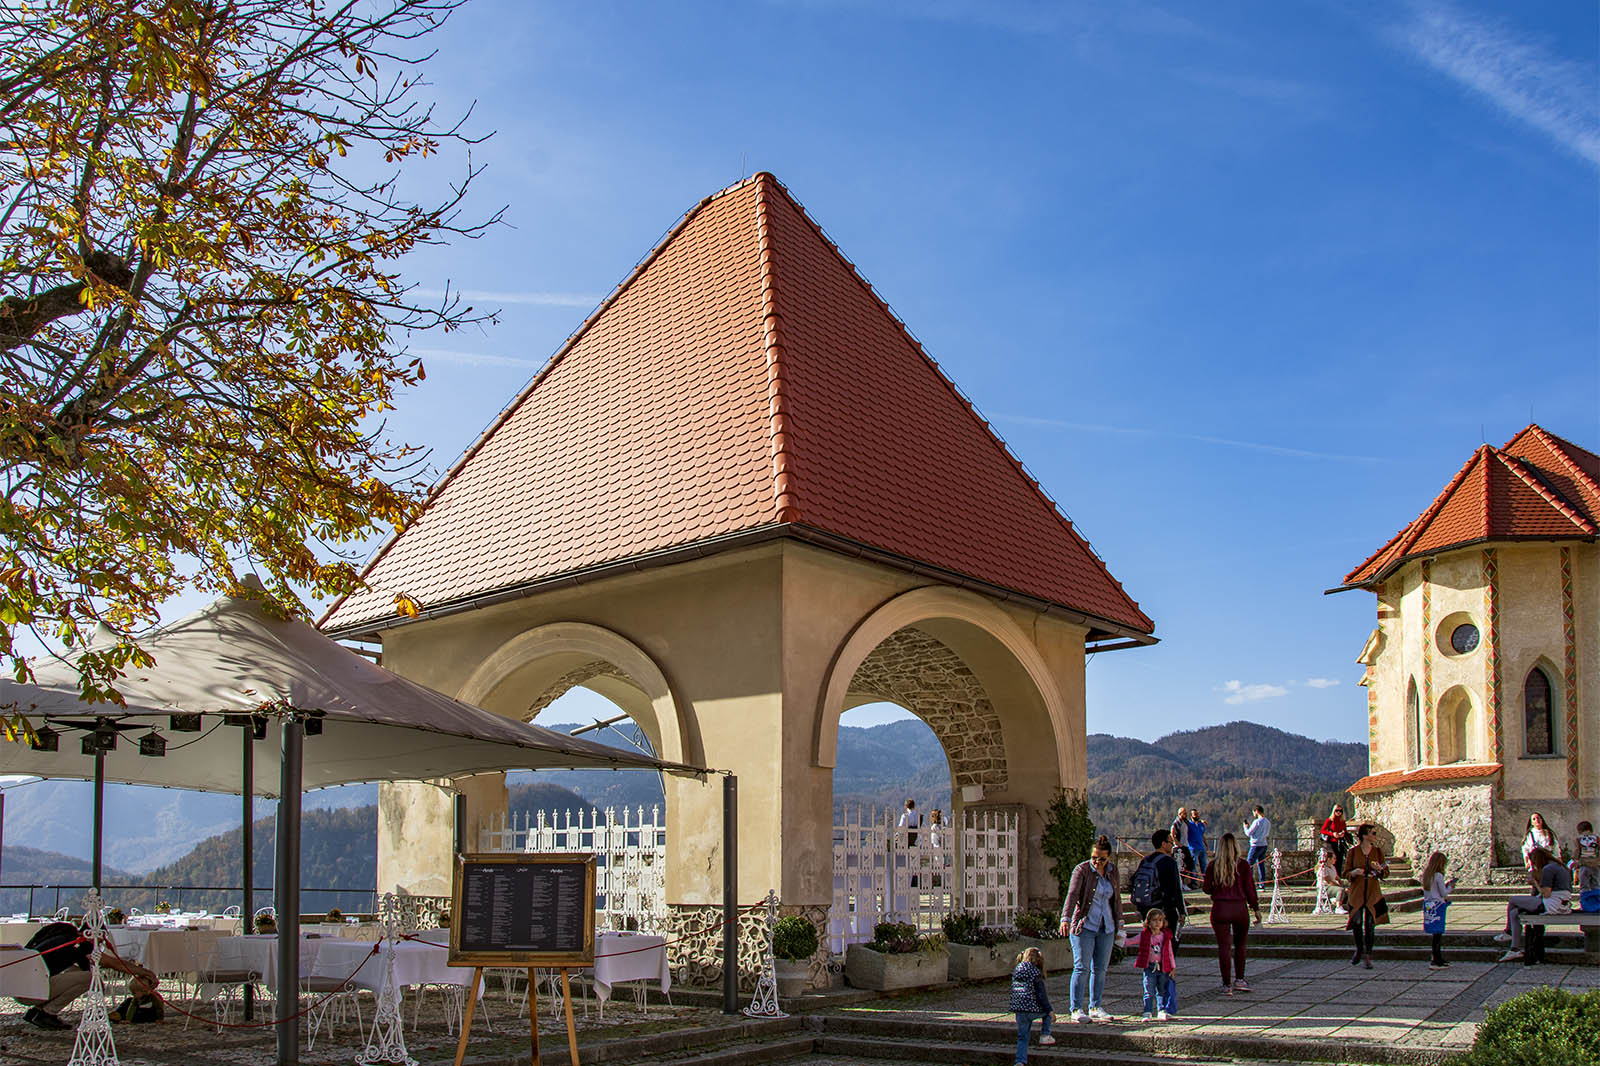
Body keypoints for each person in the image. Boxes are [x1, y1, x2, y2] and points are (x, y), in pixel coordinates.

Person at [16, 920, 158, 1030]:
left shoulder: (64, 934)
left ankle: (36, 1011)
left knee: (77, 973)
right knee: (90, 979)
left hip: (21, 987)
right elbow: (115, 964)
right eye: (101, 939)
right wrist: (144, 972)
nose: (101, 943)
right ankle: (47, 1013)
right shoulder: (80, 945)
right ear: (93, 935)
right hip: (30, 992)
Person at [1058, 834, 1122, 1023]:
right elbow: (1072, 894)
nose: (1097, 862)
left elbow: (1116, 899)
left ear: (1108, 857)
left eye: (1102, 859)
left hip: (1106, 925)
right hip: (1084, 925)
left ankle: (1095, 1005)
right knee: (1081, 967)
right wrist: (1066, 918)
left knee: (1100, 968)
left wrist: (1120, 924)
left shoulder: (1113, 871)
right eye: (1094, 857)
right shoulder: (1082, 870)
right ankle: (1076, 1008)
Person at [1201, 832, 1260, 994]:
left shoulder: (1213, 865)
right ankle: (1240, 979)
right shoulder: (1242, 865)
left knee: (1224, 947)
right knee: (1240, 945)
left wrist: (1216, 887)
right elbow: (1250, 889)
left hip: (1220, 908)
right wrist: (1255, 908)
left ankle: (1226, 984)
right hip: (1239, 907)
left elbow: (1206, 889)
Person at [1496, 846, 1573, 962]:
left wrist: (1535, 882)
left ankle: (1508, 932)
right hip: (1561, 904)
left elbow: (1546, 893)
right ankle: (1514, 949)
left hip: (1552, 904)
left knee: (1512, 900)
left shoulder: (1548, 869)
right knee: (1514, 913)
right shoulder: (1560, 866)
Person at [1343, 823, 1389, 970]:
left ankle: (1368, 955)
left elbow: (1385, 873)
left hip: (1373, 891)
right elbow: (1346, 873)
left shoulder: (1377, 852)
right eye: (1373, 833)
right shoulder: (1353, 852)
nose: (1375, 836)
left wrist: (1380, 869)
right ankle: (1359, 949)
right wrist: (1354, 873)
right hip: (1357, 891)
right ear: (1364, 835)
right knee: (1356, 922)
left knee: (1370, 923)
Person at [1133, 829, 1187, 946]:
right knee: (1168, 944)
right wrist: (1182, 911)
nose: (1172, 845)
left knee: (1151, 943)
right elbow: (1176, 888)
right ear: (1163, 844)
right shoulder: (1169, 862)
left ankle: (1152, 963)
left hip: (1147, 908)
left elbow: (1134, 881)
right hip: (1165, 908)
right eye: (1170, 842)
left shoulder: (1145, 860)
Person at [1008, 945, 1056, 1063]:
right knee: (1046, 1014)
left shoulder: (1017, 971)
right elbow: (1041, 996)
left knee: (1022, 1037)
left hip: (1019, 1009)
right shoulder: (1035, 973)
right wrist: (1050, 1011)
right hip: (1032, 1008)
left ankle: (1020, 1061)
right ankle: (1045, 1035)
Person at [1134, 909, 1178, 1022]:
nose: (1157, 923)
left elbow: (1170, 952)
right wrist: (1120, 939)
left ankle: (1161, 1010)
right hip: (1149, 967)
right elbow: (1131, 941)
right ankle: (1147, 1011)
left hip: (1163, 967)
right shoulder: (1144, 936)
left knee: (1162, 990)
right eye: (1154, 920)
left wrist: (1172, 967)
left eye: (1160, 920)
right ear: (1148, 922)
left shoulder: (1165, 936)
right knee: (1149, 990)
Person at [1420, 851, 1454, 969]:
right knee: (1438, 933)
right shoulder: (1438, 876)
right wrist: (1450, 887)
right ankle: (1436, 959)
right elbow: (1443, 893)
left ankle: (1437, 957)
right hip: (1438, 905)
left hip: (1429, 904)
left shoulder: (1427, 875)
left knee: (1435, 933)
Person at [1243, 806, 1271, 885]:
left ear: (1257, 811)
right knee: (1261, 864)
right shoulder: (1267, 822)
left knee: (1249, 864)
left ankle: (1249, 883)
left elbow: (1248, 833)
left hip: (1256, 845)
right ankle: (1262, 883)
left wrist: (1245, 827)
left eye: (1254, 812)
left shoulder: (1257, 822)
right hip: (1264, 844)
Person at [1313, 847, 1346, 915]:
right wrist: (1341, 887)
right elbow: (1328, 881)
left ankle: (1339, 902)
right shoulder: (1323, 868)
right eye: (1334, 858)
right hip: (1325, 887)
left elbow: (1337, 877)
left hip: (1332, 886)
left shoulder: (1332, 867)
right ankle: (1338, 907)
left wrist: (1343, 883)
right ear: (1329, 859)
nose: (1335, 860)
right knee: (1340, 890)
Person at [1318, 803, 1350, 872]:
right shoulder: (1330, 820)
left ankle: (1338, 874)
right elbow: (1323, 830)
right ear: (1334, 811)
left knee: (1340, 858)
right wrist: (1332, 834)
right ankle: (1332, 873)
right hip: (1332, 842)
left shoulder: (1342, 821)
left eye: (1340, 811)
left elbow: (1344, 829)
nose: (1338, 812)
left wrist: (1342, 833)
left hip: (1340, 841)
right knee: (1333, 858)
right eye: (1337, 811)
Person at [1571, 820, 1599, 893]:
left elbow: (1577, 851)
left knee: (1584, 885)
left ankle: (1586, 901)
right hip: (1595, 864)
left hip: (1584, 864)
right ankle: (1596, 901)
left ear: (1580, 830)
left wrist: (1575, 860)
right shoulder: (1596, 838)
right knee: (1596, 884)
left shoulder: (1579, 839)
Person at [1170, 808, 1195, 885]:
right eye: (1184, 813)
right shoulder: (1176, 823)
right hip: (1179, 848)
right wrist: (1178, 844)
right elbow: (1172, 834)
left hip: (1185, 846)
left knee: (1190, 865)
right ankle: (1180, 883)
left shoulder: (1185, 822)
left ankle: (1183, 882)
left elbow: (1194, 822)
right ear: (1180, 814)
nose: (1186, 815)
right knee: (1179, 866)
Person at [1186, 809, 1208, 881]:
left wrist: (1206, 845)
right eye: (1195, 814)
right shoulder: (1189, 824)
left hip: (1201, 847)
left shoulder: (1201, 825)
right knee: (1193, 867)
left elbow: (1202, 835)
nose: (1197, 816)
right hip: (1193, 848)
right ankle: (1194, 882)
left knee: (1204, 866)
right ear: (1191, 816)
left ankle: (1206, 881)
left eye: (1197, 814)